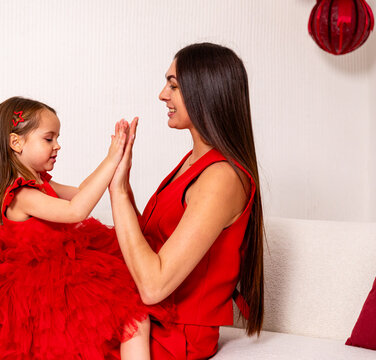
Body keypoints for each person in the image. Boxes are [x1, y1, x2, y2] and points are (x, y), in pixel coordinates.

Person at [0, 96, 171, 359]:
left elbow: (81, 191)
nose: (57, 146)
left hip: (64, 273)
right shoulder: (21, 194)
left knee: (133, 317)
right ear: (16, 142)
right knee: (114, 324)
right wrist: (111, 159)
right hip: (37, 289)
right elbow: (76, 210)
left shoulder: (41, 183)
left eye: (57, 138)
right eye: (49, 139)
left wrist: (114, 161)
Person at [108, 43, 264, 359]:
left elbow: (153, 285)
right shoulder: (193, 161)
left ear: (205, 92)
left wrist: (119, 193)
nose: (162, 95)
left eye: (174, 85)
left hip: (174, 334)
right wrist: (122, 184)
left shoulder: (221, 176)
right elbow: (151, 244)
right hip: (150, 319)